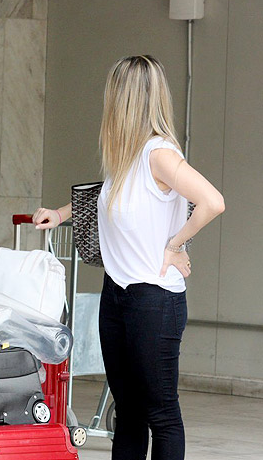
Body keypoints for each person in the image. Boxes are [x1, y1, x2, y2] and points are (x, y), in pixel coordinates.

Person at [32, 55, 225, 460]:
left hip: (154, 299)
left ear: (127, 99)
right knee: (130, 413)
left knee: (161, 413)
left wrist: (176, 245)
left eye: (114, 93)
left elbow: (212, 201)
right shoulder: (128, 158)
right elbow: (113, 194)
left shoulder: (160, 153)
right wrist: (61, 213)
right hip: (118, 296)